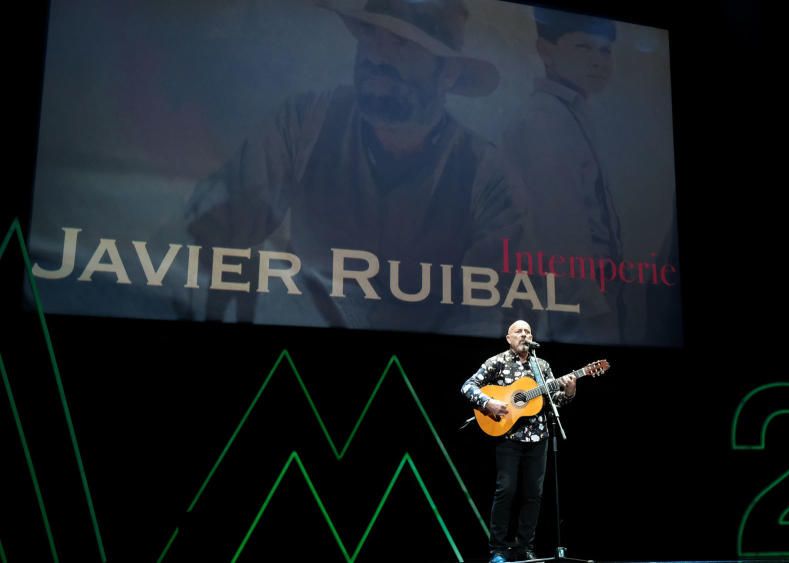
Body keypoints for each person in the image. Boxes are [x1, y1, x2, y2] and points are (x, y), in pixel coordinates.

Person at [180, 0, 523, 332]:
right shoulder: (304, 124)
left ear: (447, 72)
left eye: (401, 43)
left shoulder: (485, 174)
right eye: (369, 36)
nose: (375, 55)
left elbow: (492, 317)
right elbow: (211, 227)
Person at [500, 8, 625, 345]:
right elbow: (561, 230)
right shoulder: (545, 119)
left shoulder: (570, 113)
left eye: (605, 50)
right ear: (546, 51)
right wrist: (592, 311)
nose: (599, 61)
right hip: (575, 313)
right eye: (584, 47)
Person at [461, 320, 577, 563]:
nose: (524, 334)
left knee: (533, 494)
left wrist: (569, 391)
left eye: (528, 331)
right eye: (519, 331)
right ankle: (499, 550)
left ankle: (525, 547)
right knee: (506, 490)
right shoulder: (497, 362)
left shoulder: (541, 365)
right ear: (508, 338)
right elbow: (468, 386)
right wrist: (488, 403)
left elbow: (552, 401)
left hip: (539, 437)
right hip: (508, 436)